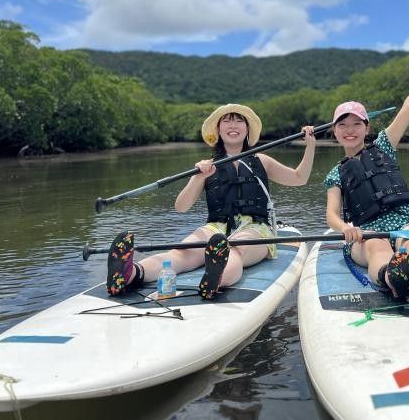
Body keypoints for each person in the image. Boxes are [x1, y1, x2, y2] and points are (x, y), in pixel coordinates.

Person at [107, 104, 316, 300]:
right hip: (216, 226)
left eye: (238, 121)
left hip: (255, 227)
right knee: (181, 253)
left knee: (233, 249)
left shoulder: (261, 160)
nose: (233, 125)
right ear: (218, 129)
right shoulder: (206, 166)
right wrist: (198, 176)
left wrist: (310, 146)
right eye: (226, 121)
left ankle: (216, 278)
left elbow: (299, 179)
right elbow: (181, 207)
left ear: (247, 128)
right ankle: (131, 273)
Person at [324, 43, 409, 302]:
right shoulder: (335, 174)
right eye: (343, 125)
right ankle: (392, 276)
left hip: (403, 220)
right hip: (366, 229)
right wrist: (345, 228)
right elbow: (331, 213)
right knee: (376, 247)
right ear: (335, 131)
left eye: (356, 124)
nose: (350, 130)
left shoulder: (384, 145)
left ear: (367, 127)